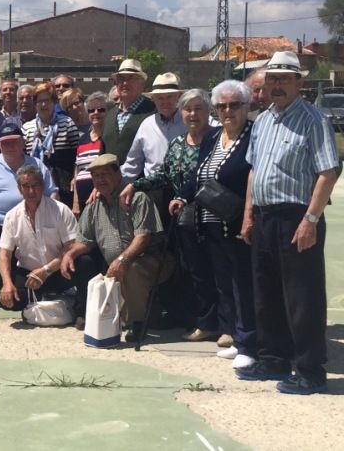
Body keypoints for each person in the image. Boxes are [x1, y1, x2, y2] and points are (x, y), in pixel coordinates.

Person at [237, 51, 338, 395]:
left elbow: (329, 171)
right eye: (272, 78)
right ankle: (273, 358)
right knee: (266, 292)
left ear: (300, 82)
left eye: (284, 78)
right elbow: (254, 170)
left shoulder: (313, 120)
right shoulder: (263, 120)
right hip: (264, 217)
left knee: (302, 295)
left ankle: (310, 370)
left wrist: (311, 218)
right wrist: (249, 214)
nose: (277, 85)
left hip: (297, 216)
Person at [171, 80, 257, 369]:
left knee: (242, 282)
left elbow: (251, 176)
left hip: (236, 220)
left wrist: (247, 214)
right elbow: (198, 174)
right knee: (222, 281)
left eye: (234, 105)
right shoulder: (212, 137)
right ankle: (232, 332)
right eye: (222, 106)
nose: (228, 110)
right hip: (209, 220)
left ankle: (246, 338)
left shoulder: (252, 135)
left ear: (246, 107)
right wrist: (182, 197)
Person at [121, 88, 216, 342]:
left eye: (198, 109)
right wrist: (135, 184)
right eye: (188, 109)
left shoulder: (217, 138)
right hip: (181, 215)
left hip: (212, 215)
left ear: (208, 112)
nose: (193, 114)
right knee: (187, 269)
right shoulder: (177, 143)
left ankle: (219, 323)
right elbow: (163, 175)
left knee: (213, 270)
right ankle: (194, 319)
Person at [60, 154, 174, 340]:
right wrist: (69, 254)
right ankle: (91, 314)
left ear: (118, 174)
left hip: (153, 261)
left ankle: (138, 324)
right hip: (117, 266)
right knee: (82, 261)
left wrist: (122, 259)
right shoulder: (93, 207)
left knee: (133, 268)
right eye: (95, 176)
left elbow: (143, 237)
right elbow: (85, 241)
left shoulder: (138, 198)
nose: (100, 180)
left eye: (104, 174)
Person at [0, 165, 94, 326]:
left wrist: (46, 270)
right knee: (8, 301)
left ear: (42, 186)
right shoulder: (11, 216)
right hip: (29, 274)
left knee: (85, 262)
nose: (31, 191)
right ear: (19, 189)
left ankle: (81, 310)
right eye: (26, 186)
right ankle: (46, 300)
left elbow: (71, 246)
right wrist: (6, 283)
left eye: (35, 185)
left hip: (58, 270)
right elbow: (4, 254)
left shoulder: (60, 210)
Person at [0, 125, 57, 286]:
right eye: (5, 143)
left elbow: (52, 192)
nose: (9, 146)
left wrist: (47, 217)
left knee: (19, 284)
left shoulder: (36, 164)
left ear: (23, 143)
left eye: (14, 142)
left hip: (27, 223)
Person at [121, 73, 186, 184]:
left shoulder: (190, 120)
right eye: (160, 98)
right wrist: (112, 181)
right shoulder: (147, 125)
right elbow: (133, 164)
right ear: (153, 99)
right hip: (154, 190)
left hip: (185, 189)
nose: (165, 102)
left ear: (178, 97)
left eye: (169, 96)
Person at [22, 82, 80, 206]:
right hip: (36, 185)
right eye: (40, 101)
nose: (43, 104)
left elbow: (78, 156)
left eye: (47, 100)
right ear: (35, 104)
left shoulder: (67, 123)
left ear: (53, 102)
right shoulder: (27, 128)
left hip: (63, 185)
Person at [102, 59, 156, 164]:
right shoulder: (109, 115)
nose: (125, 83)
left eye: (131, 78)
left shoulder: (153, 112)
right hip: (112, 179)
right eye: (121, 79)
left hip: (142, 179)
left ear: (142, 83)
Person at [72, 92, 109, 216]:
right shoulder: (82, 140)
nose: (96, 113)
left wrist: (98, 189)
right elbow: (78, 172)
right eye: (91, 110)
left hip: (103, 199)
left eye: (101, 109)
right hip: (82, 202)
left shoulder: (109, 138)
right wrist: (75, 202)